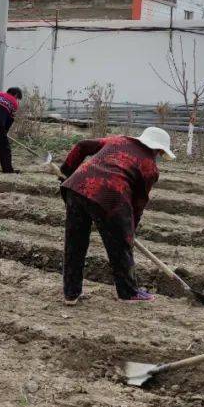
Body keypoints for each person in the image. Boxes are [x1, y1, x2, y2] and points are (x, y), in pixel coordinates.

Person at [58, 127, 175, 305]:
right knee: (120, 248)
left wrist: (66, 171)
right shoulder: (150, 168)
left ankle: (71, 293)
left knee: (75, 243)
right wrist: (128, 234)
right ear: (159, 150)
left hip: (76, 186)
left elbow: (82, 146)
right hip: (110, 197)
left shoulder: (118, 140)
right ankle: (128, 293)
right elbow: (138, 203)